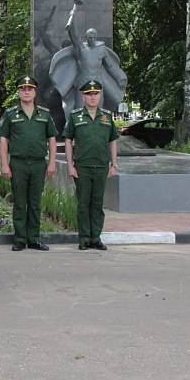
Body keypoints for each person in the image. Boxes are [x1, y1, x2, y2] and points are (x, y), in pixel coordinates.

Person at [0, 76, 58, 252]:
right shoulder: (10, 114)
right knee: (19, 203)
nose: (26, 92)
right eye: (23, 89)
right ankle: (19, 239)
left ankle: (34, 239)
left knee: (35, 203)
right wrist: (4, 164)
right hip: (18, 164)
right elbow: (3, 140)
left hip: (38, 164)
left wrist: (52, 163)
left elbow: (52, 139)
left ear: (35, 92)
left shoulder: (44, 114)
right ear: (18, 92)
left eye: (29, 89)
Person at [64, 80, 119, 251]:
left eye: (95, 93)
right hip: (82, 167)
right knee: (83, 204)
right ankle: (84, 238)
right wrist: (70, 165)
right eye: (89, 94)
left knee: (97, 203)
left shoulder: (107, 117)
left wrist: (114, 164)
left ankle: (96, 238)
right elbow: (68, 140)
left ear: (100, 95)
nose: (92, 97)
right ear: (83, 96)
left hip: (101, 166)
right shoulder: (75, 116)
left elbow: (112, 141)